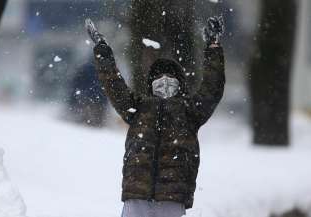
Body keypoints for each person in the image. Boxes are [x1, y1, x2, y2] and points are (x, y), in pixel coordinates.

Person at [85, 16, 225, 217]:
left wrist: (213, 47)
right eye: (159, 77)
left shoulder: (189, 111)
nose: (165, 81)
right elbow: (114, 85)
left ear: (181, 84)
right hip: (137, 196)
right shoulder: (138, 107)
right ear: (150, 83)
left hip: (172, 198)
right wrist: (102, 52)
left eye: (171, 78)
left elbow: (212, 88)